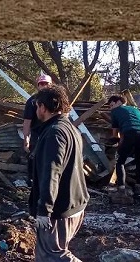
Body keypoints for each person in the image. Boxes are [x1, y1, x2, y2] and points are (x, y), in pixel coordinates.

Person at [29, 84, 89, 261]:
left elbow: (52, 173)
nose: (36, 110)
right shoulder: (70, 128)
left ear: (43, 107)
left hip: (59, 208)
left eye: (37, 106)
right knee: (51, 253)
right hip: (74, 204)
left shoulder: (54, 133)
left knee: (52, 256)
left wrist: (44, 211)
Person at [107, 94, 140, 195]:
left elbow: (115, 130)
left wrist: (114, 139)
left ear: (119, 102)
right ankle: (139, 188)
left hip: (130, 133)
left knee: (120, 161)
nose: (111, 108)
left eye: (112, 105)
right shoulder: (135, 110)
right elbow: (134, 122)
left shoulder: (115, 111)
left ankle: (121, 189)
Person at [23, 74, 53, 179]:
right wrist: (26, 138)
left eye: (46, 84)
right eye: (41, 84)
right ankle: (31, 180)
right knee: (33, 157)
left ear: (51, 85)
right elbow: (27, 121)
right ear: (38, 86)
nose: (44, 86)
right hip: (37, 134)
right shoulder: (32, 101)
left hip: (53, 133)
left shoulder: (56, 100)